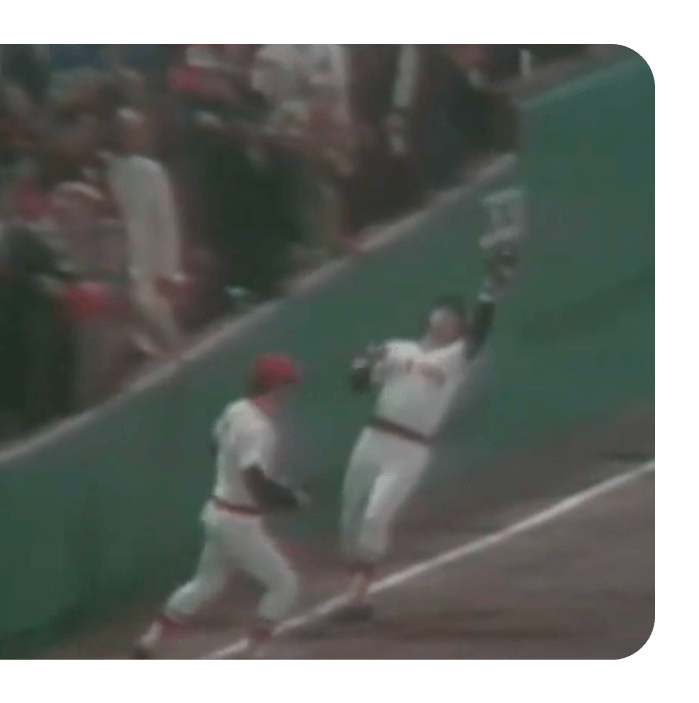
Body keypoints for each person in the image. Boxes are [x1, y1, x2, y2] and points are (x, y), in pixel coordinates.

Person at [336, 243, 519, 621]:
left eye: (455, 316)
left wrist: (489, 291)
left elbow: (479, 335)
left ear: (459, 327)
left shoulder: (454, 360)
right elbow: (357, 384)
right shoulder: (395, 348)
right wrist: (362, 364)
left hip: (410, 450)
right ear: (430, 315)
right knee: (350, 517)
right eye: (443, 311)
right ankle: (357, 576)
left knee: (375, 517)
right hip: (372, 439)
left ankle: (358, 596)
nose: (447, 318)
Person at [133, 353, 311, 660]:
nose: (290, 392)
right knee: (285, 585)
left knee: (207, 582)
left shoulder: (235, 409)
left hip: (217, 512)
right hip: (239, 524)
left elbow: (215, 446)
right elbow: (255, 481)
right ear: (275, 386)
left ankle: (150, 639)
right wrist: (290, 498)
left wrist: (240, 476)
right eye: (287, 385)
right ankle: (257, 652)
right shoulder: (259, 427)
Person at [105, 107, 186, 358]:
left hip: (150, 271)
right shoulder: (114, 172)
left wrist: (168, 270)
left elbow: (165, 223)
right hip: (127, 271)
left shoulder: (148, 170)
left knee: (166, 340)